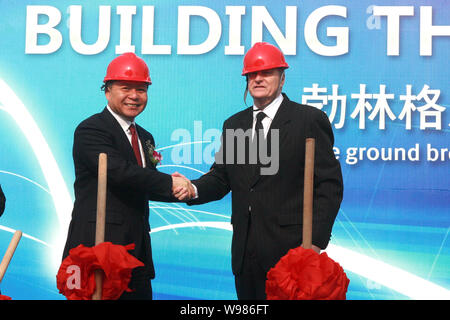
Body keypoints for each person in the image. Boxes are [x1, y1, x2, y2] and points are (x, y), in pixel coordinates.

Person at [177, 42, 343, 299]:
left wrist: (315, 243)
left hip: (292, 253)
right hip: (245, 255)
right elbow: (222, 178)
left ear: (282, 77)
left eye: (266, 73)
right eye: (252, 74)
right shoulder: (235, 124)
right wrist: (193, 188)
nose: (258, 79)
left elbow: (329, 186)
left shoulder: (308, 119)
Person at [62, 52, 190, 300]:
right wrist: (169, 182)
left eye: (141, 89)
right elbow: (120, 173)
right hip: (97, 252)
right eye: (125, 88)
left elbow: (146, 184)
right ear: (107, 91)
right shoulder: (91, 129)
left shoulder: (144, 136)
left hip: (136, 254)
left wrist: (189, 190)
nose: (134, 96)